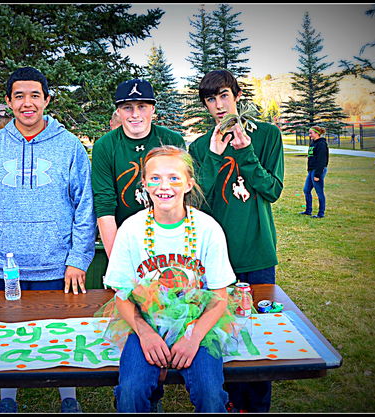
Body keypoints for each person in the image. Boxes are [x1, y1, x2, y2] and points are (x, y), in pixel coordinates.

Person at [0, 66, 96, 413]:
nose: (28, 103)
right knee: (8, 333)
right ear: (8, 102)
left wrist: (77, 259)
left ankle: (69, 398)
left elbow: (85, 207)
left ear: (47, 100)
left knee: (62, 334)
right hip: (6, 265)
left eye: (35, 95)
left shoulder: (69, 147)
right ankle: (8, 399)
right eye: (20, 96)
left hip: (57, 265)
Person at [98, 145, 237, 413]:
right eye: (155, 178)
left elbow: (220, 297)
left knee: (210, 394)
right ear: (145, 184)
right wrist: (145, 332)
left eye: (174, 177)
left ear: (189, 184)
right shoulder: (132, 229)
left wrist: (193, 336)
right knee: (131, 391)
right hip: (146, 321)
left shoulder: (208, 228)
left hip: (198, 323)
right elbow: (122, 295)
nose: (165, 186)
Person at [188, 69, 284, 412]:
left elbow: (272, 190)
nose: (217, 105)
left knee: (258, 329)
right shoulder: (199, 145)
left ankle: (257, 404)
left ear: (237, 95)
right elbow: (196, 201)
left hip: (257, 250)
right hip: (214, 257)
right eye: (210, 99)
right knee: (220, 330)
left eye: (223, 96)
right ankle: (227, 400)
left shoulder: (269, 135)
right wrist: (213, 156)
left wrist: (245, 152)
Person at [92, 78, 186, 258]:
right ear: (118, 111)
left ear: (153, 109)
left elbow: (182, 196)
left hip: (168, 236)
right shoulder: (105, 146)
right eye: (128, 107)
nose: (135, 114)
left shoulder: (171, 140)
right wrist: (117, 261)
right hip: (124, 239)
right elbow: (104, 206)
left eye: (142, 106)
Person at [300, 125, 329, 218]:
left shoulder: (321, 144)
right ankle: (308, 211)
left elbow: (322, 160)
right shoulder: (313, 143)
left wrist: (317, 175)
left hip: (318, 170)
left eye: (311, 133)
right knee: (306, 190)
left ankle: (321, 213)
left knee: (319, 191)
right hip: (312, 170)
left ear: (317, 133)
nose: (309, 135)